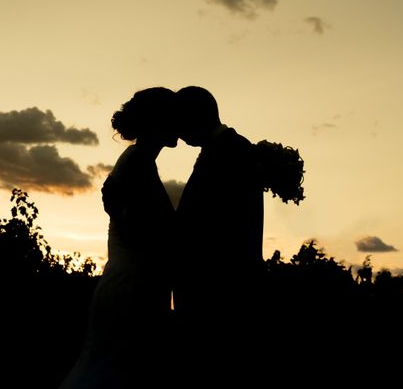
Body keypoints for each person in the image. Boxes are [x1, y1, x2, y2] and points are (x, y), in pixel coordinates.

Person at [59, 87, 178, 389]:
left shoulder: (139, 160)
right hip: (132, 288)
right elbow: (149, 230)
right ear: (157, 121)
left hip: (136, 283)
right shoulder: (137, 161)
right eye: (172, 116)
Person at [172, 86, 264, 353]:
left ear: (195, 117)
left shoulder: (230, 151)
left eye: (180, 121)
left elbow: (218, 224)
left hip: (221, 291)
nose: (178, 131)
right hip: (218, 289)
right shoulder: (226, 147)